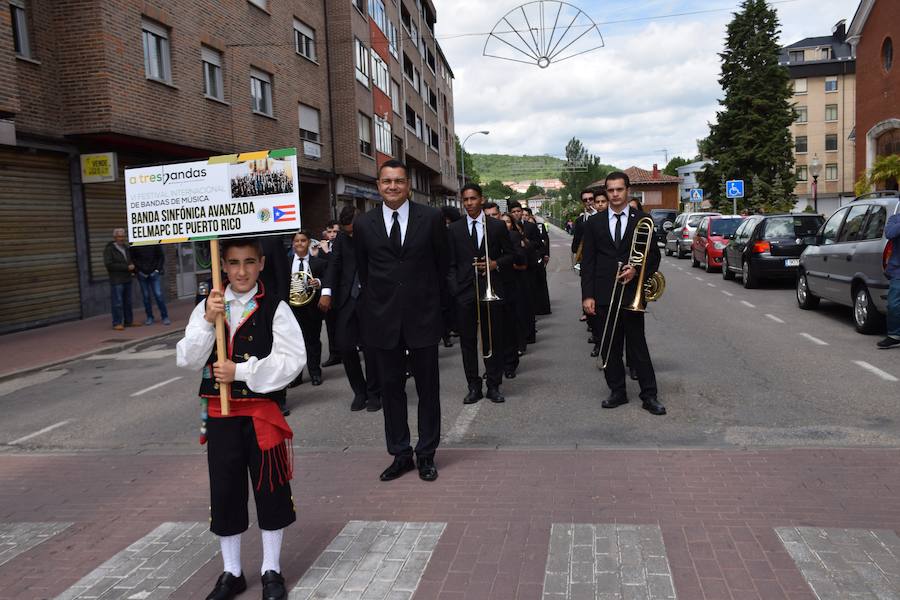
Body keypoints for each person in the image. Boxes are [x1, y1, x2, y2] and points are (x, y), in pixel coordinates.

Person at [176, 237, 305, 600]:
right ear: (223, 266)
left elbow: (293, 360)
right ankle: (232, 571)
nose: (242, 271)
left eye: (250, 262)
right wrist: (207, 321)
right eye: (233, 263)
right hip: (220, 416)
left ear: (261, 263)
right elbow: (186, 358)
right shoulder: (208, 307)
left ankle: (271, 569)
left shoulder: (275, 307)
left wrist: (242, 371)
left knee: (271, 490)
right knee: (226, 490)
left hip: (262, 414)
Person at [354, 159, 448, 482]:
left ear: (408, 185)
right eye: (386, 181)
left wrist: (443, 317)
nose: (392, 186)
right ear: (377, 185)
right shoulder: (364, 225)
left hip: (423, 318)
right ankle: (400, 453)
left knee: (428, 390)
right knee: (391, 390)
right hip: (383, 322)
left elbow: (442, 267)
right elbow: (365, 274)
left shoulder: (432, 218)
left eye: (399, 181)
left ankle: (426, 454)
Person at [581, 171, 666, 416]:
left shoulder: (643, 219)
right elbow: (588, 262)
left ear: (628, 190)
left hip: (630, 293)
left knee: (638, 347)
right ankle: (617, 391)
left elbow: (654, 256)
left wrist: (636, 269)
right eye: (611, 190)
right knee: (609, 346)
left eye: (619, 189)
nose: (615, 194)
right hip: (603, 293)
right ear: (606, 192)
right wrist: (587, 296)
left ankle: (649, 395)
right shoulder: (594, 223)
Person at [447, 186, 514, 404]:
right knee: (467, 342)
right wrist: (456, 289)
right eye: (465, 199)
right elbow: (449, 264)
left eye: (473, 199)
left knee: (492, 338)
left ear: (481, 200)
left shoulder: (496, 226)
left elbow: (511, 255)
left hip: (491, 289)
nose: (468, 203)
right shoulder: (454, 229)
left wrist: (495, 264)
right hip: (465, 291)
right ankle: (473, 386)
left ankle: (494, 385)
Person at [320, 206, 382, 412]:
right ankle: (360, 391)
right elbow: (333, 266)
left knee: (372, 348)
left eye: (354, 230)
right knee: (345, 347)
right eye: (348, 231)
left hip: (370, 300)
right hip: (347, 300)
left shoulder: (375, 233)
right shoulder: (341, 240)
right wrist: (326, 292)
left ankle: (374, 393)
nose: (352, 234)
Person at [486, 204, 525, 377]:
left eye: (495, 214)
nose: (492, 218)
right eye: (488, 215)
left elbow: (516, 257)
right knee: (490, 330)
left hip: (507, 284)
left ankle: (510, 364)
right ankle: (494, 366)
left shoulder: (512, 235)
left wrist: (497, 263)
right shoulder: (481, 235)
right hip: (487, 286)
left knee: (508, 326)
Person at [287, 230, 328, 387]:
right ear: (293, 243)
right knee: (295, 343)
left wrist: (318, 282)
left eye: (303, 240)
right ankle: (296, 376)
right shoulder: (286, 261)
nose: (300, 244)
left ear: (309, 243)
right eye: (296, 241)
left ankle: (315, 372)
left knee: (312, 341)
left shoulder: (319, 263)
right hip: (293, 308)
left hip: (312, 307)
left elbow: (327, 278)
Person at [104, 228, 138, 331]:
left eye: (123, 236)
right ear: (115, 237)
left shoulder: (126, 248)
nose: (121, 238)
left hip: (127, 278)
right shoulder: (110, 249)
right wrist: (126, 267)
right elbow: (109, 265)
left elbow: (129, 260)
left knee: (128, 302)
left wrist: (132, 266)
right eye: (119, 236)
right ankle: (117, 322)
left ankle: (129, 321)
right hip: (117, 280)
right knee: (117, 302)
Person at [130, 244, 170, 326]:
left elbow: (161, 257)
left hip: (154, 273)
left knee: (158, 295)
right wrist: (139, 271)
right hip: (142, 274)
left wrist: (157, 270)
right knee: (146, 297)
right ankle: (149, 317)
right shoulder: (135, 244)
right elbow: (133, 259)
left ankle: (165, 316)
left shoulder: (154, 242)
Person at [878, 213, 900, 349]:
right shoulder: (895, 219)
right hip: (898, 270)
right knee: (893, 304)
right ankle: (894, 335)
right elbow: (890, 234)